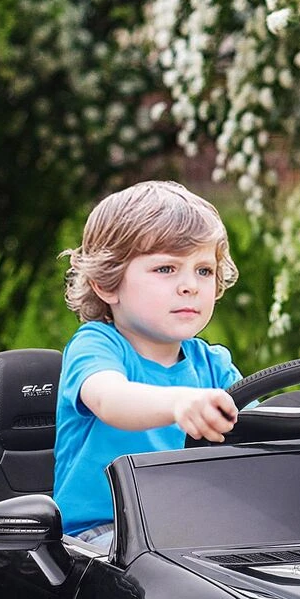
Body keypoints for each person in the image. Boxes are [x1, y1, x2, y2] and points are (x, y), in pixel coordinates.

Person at [53, 179, 243, 548]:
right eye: (166, 269)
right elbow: (111, 399)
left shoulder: (213, 364)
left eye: (204, 270)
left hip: (195, 534)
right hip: (103, 535)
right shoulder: (97, 346)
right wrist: (180, 403)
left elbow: (259, 428)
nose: (190, 285)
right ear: (107, 284)